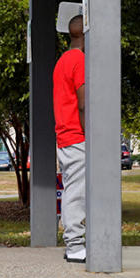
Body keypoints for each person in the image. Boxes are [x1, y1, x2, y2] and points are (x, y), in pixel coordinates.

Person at [53, 15, 87, 264]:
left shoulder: (63, 60)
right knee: (76, 191)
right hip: (78, 135)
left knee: (72, 189)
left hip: (66, 135)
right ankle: (75, 245)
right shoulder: (79, 60)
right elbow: (84, 104)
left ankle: (76, 243)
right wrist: (91, 137)